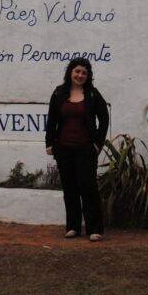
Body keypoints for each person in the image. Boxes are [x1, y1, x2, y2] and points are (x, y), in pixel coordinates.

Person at [45, 57, 109, 241]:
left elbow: (104, 119)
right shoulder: (59, 93)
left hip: (86, 149)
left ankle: (94, 229)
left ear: (87, 76)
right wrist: (49, 143)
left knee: (88, 188)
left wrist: (97, 144)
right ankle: (72, 226)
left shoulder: (92, 94)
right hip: (63, 148)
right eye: (77, 71)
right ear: (70, 73)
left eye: (84, 73)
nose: (80, 75)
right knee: (70, 188)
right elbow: (52, 120)